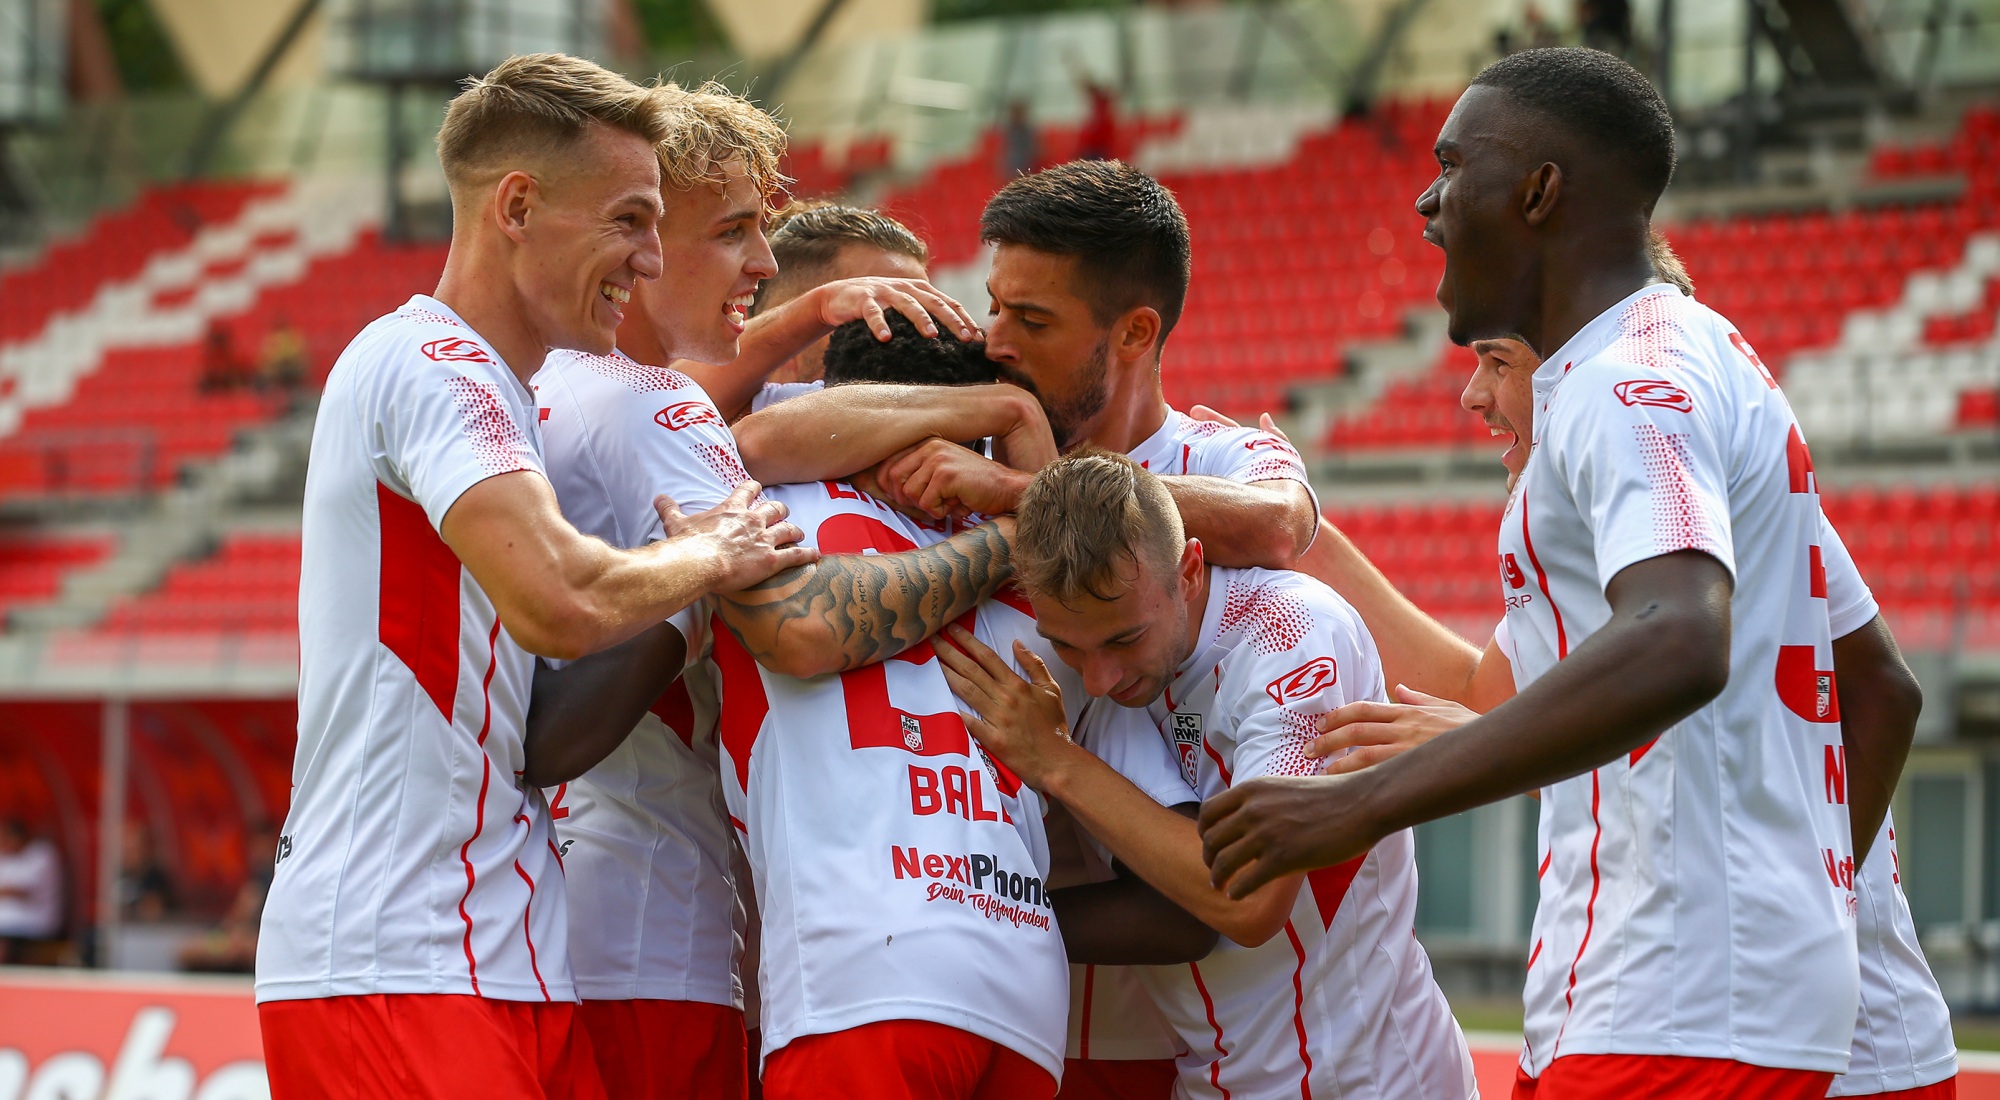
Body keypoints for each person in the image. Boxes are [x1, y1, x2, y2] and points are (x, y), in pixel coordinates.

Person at [1196, 47, 1866, 1097]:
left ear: (1538, 192)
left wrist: (1360, 800)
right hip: (1676, 985)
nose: (1424, 201)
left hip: (1681, 997)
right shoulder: (1698, 355)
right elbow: (1871, 680)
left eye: (1451, 166)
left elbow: (1677, 634)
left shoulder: (1622, 379)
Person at [255, 54, 813, 1100]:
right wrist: (716, 554)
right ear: (517, 206)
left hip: (505, 939)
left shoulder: (508, 391)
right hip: (388, 952)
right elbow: (561, 597)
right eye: (629, 220)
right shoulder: (431, 362)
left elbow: (539, 722)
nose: (650, 260)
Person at [524, 82, 1018, 1100]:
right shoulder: (654, 410)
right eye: (736, 231)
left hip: (594, 916)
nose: (758, 260)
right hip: (657, 935)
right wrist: (1014, 526)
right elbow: (797, 626)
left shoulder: (565, 387)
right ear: (644, 239)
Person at [935, 451, 1475, 1100]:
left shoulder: (1292, 635)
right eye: (1072, 647)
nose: (1099, 677)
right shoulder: (1108, 677)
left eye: (1124, 640)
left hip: (1367, 1080)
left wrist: (1054, 760)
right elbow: (1171, 918)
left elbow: (1248, 905)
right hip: (1214, 1082)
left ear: (1189, 571)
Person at [735, 160, 1320, 573]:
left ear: (1135, 332)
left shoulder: (1216, 455)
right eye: (994, 307)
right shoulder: (965, 431)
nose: (996, 342)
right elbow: (745, 438)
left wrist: (1025, 490)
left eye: (1034, 321)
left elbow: (1277, 525)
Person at [668, 201, 962, 421]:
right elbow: (675, 396)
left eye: (922, 311)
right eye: (883, 312)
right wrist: (818, 308)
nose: (916, 335)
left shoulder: (963, 460)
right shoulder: (714, 447)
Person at [0, 818, 61, 963]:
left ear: (17, 836)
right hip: (12, 920)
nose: (3, 843)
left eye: (5, 838)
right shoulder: (7, 856)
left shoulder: (42, 854)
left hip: (36, 919)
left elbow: (20, 890)